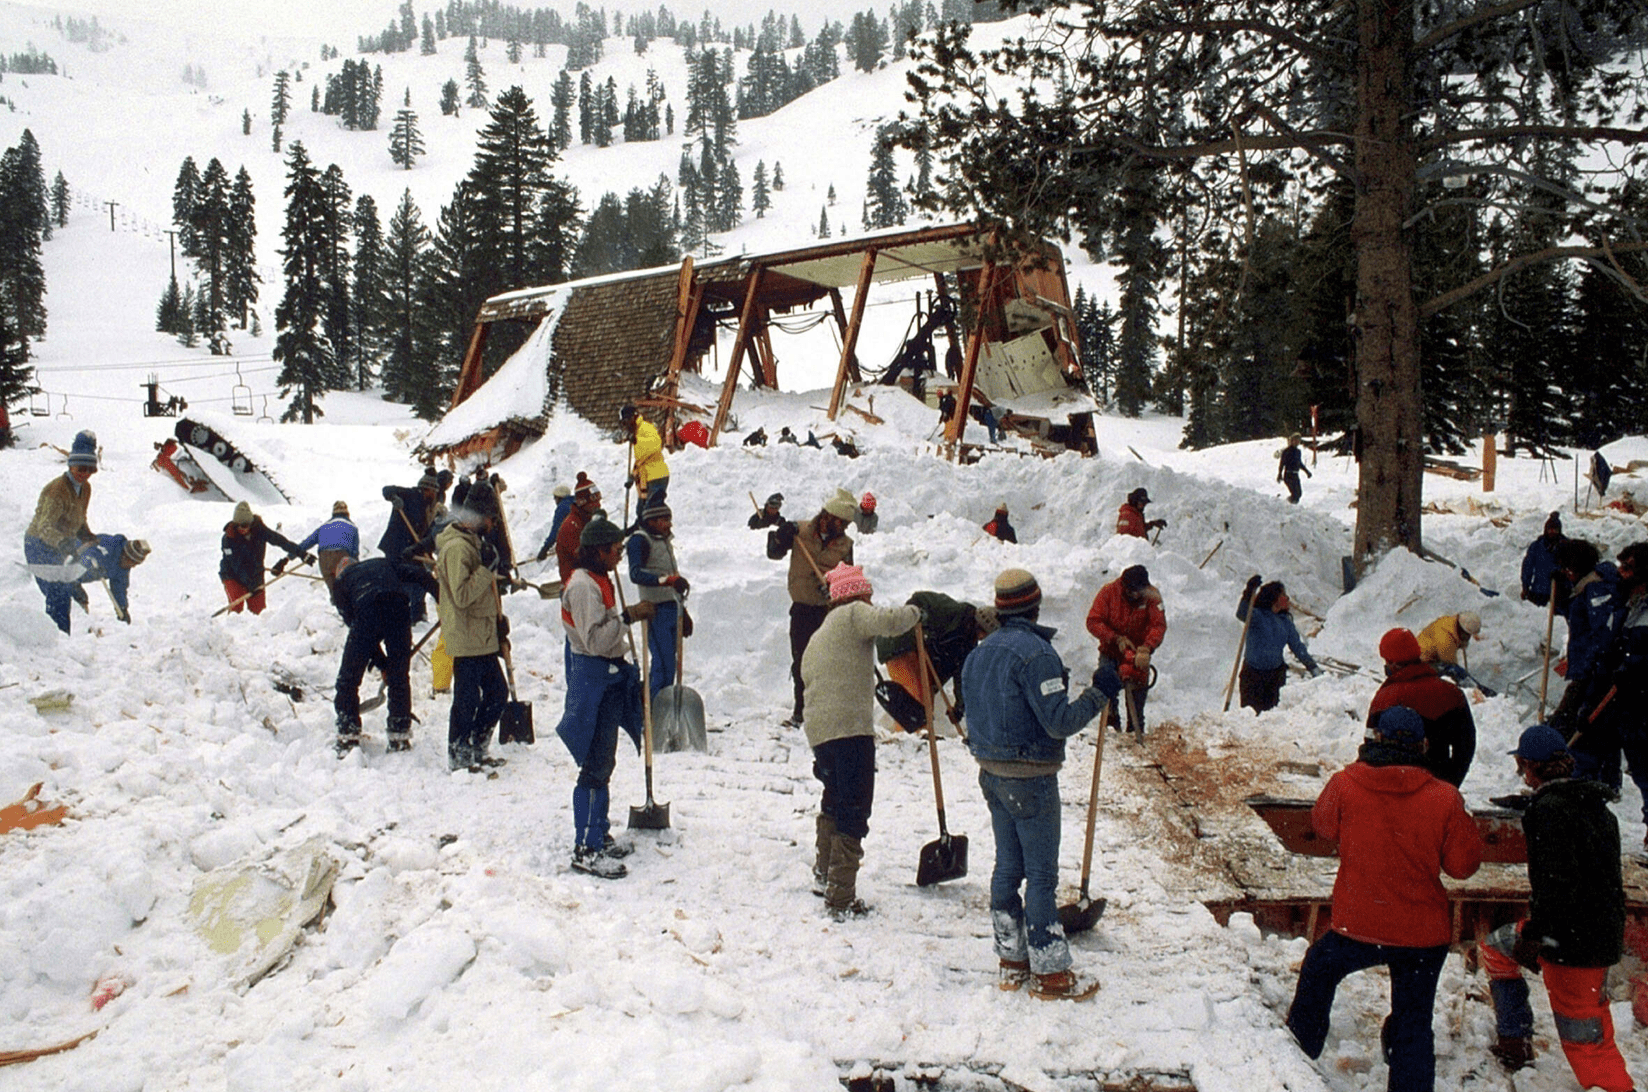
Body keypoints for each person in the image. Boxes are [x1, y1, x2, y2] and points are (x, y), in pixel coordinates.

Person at [1286, 707, 1484, 1090]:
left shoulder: (1345, 783)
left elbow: (1322, 826)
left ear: (1374, 739)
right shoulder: (1444, 797)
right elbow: (1462, 867)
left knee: (1318, 971)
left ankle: (1296, 1056)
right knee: (1413, 1022)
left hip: (1357, 925)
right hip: (1422, 936)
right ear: (1423, 746)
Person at [961, 568, 1119, 1001]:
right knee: (1042, 877)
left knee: (1007, 868)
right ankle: (1050, 974)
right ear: (1035, 605)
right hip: (1030, 779)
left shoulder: (979, 653)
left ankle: (1012, 961)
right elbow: (1058, 722)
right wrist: (1099, 691)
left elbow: (967, 715)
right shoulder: (1037, 655)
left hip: (992, 775)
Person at [1476, 725, 1634, 1088]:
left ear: (1529, 766)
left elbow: (1556, 884)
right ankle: (1515, 1041)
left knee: (1588, 1044)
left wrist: (1535, 936)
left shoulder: (1548, 814)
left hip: (1571, 942)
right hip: (1601, 930)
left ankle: (1615, 1087)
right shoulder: (1594, 806)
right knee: (1496, 949)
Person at [800, 563, 920, 918]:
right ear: (857, 593)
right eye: (868, 593)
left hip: (820, 732)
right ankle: (840, 896)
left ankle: (825, 873)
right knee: (855, 807)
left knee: (834, 799)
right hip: (850, 728)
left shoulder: (820, 634)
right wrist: (916, 612)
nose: (871, 599)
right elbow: (889, 621)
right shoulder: (854, 613)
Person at [556, 513, 654, 879]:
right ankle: (586, 846)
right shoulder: (582, 586)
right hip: (592, 677)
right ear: (598, 551)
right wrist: (628, 617)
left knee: (604, 762)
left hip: (610, 675)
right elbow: (596, 640)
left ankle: (600, 833)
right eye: (616, 550)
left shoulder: (599, 578)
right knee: (594, 765)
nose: (619, 555)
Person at [23, 430, 145, 631]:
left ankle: (60, 639)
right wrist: (64, 542)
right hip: (39, 545)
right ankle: (54, 643)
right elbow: (45, 527)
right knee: (58, 592)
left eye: (90, 470)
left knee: (63, 590)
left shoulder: (85, 488)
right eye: (81, 469)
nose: (84, 474)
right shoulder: (57, 490)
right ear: (71, 464)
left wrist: (85, 534)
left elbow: (79, 518)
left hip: (59, 546)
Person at [1571, 542, 1648, 823]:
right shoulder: (1626, 607)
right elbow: (1608, 657)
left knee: (1644, 770)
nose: (1620, 573)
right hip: (1621, 701)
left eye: (1628, 568)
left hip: (1642, 706)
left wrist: (1637, 665)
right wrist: (1589, 703)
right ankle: (1577, 817)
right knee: (1588, 750)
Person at [767, 488, 857, 727]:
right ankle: (801, 712)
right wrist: (780, 537)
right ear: (827, 516)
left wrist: (835, 588)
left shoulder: (846, 545)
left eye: (847, 524)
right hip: (802, 609)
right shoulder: (800, 532)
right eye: (842, 522)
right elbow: (774, 554)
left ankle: (825, 715)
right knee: (801, 663)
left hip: (828, 612)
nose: (844, 528)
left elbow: (849, 583)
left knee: (826, 663)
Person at [435, 484, 508, 772]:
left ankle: (477, 746)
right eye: (491, 518)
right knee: (467, 700)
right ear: (479, 516)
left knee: (497, 694)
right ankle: (459, 754)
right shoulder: (456, 548)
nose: (493, 525)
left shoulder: (473, 543)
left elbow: (482, 589)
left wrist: (498, 620)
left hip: (482, 634)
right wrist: (484, 570)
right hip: (466, 636)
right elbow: (462, 596)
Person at [1366, 628, 1477, 787]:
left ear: (1392, 663)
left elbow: (1370, 748)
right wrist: (1451, 783)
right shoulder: (1452, 694)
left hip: (1392, 787)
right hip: (1437, 785)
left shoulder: (1385, 699)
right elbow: (1466, 745)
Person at [875, 592, 999, 734]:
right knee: (915, 702)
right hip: (900, 644)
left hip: (921, 656)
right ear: (978, 623)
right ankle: (908, 740)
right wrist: (921, 621)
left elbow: (963, 676)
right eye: (983, 632)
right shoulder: (952, 610)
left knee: (926, 705)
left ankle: (921, 740)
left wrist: (959, 707)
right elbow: (919, 598)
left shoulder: (968, 643)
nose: (982, 637)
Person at [330, 556, 414, 756]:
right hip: (399, 610)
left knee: (348, 680)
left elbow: (360, 632)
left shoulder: (340, 584)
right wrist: (441, 597)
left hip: (368, 612)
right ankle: (399, 736)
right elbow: (417, 574)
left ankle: (348, 736)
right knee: (399, 676)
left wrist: (381, 663)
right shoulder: (383, 563)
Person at [1084, 565, 1167, 734]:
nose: (1137, 596)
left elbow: (1158, 625)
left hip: (1137, 653)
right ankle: (1111, 723)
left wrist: (1147, 648)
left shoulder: (1152, 596)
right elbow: (1093, 621)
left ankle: (1135, 729)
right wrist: (1115, 638)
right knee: (1106, 682)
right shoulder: (1108, 593)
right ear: (1124, 587)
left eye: (1140, 592)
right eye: (1133, 592)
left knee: (1137, 695)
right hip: (1111, 650)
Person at [1549, 539, 1620, 730]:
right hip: (1587, 668)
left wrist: (1588, 671)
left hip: (1593, 672)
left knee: (1570, 725)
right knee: (1567, 722)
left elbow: (1602, 634)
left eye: (1566, 568)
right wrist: (1562, 591)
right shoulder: (1585, 587)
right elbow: (1576, 619)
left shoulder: (1597, 589)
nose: (1565, 572)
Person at [626, 501, 689, 700]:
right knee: (662, 664)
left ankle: (665, 708)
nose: (669, 524)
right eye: (665, 519)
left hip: (672, 607)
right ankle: (652, 710)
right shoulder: (640, 540)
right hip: (655, 609)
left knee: (671, 663)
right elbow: (635, 573)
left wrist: (682, 610)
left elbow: (671, 575)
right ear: (652, 521)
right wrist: (665, 580)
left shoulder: (664, 540)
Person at [1236, 576, 1321, 713]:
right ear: (1274, 597)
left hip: (1275, 678)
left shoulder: (1285, 623)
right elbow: (1241, 613)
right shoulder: (1257, 616)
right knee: (1250, 717)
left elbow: (1298, 647)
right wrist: (1249, 591)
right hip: (1252, 677)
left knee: (1270, 718)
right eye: (1284, 595)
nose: (1287, 598)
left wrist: (1313, 668)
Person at [219, 501, 308, 616]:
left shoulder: (259, 530)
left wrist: (301, 553)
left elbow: (280, 541)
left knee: (259, 612)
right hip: (232, 575)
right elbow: (236, 565)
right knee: (237, 607)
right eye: (239, 526)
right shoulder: (228, 539)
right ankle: (230, 630)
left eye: (245, 525)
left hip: (255, 574)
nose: (242, 529)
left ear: (250, 524)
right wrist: (250, 585)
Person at [380, 471, 442, 623]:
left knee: (418, 580)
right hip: (396, 547)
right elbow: (387, 489)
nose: (434, 495)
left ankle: (418, 615)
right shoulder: (409, 494)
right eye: (433, 492)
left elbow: (426, 532)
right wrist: (394, 498)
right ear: (427, 489)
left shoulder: (428, 508)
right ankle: (404, 615)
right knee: (400, 582)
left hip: (412, 550)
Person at [295, 501, 360, 593]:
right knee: (348, 591)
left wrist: (288, 557)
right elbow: (355, 552)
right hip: (343, 557)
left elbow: (306, 543)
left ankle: (337, 603)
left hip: (324, 559)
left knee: (335, 593)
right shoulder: (352, 527)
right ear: (347, 513)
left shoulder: (324, 527)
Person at [619, 404, 669, 510]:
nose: (626, 425)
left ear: (633, 417)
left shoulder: (645, 427)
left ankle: (649, 525)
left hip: (657, 475)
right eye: (624, 423)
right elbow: (641, 459)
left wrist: (637, 440)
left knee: (652, 508)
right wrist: (632, 476)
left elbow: (656, 444)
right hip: (646, 477)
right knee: (642, 508)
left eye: (627, 421)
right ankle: (640, 523)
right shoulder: (636, 431)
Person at [553, 476, 603, 584]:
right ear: (583, 503)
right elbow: (585, 558)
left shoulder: (589, 520)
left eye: (599, 502)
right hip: (577, 585)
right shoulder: (571, 526)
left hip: (594, 580)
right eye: (594, 505)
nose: (598, 506)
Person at [1521, 512, 1567, 608]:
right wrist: (1525, 587)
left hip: (1560, 594)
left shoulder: (1566, 546)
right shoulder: (1537, 546)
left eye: (1555, 529)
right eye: (1550, 529)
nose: (1552, 532)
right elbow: (1527, 567)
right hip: (1539, 592)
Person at [1415, 610, 1481, 675]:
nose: (1468, 638)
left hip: (1427, 654)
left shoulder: (1449, 622)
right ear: (1462, 630)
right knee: (1456, 672)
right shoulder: (1445, 640)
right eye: (1467, 635)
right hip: (1422, 662)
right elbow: (1451, 664)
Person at [534, 481, 578, 562]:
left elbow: (556, 530)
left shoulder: (562, 508)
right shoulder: (576, 503)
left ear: (559, 497)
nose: (555, 500)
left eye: (555, 498)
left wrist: (545, 549)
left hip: (574, 546)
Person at [1277, 434, 1312, 504]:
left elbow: (1299, 463)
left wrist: (1307, 471)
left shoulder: (1298, 452)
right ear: (1291, 441)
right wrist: (1280, 474)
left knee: (1299, 493)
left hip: (1295, 475)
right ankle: (1287, 505)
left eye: (1298, 440)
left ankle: (1288, 504)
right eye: (1295, 440)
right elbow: (1282, 463)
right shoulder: (1286, 451)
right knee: (1295, 494)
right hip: (1288, 475)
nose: (1297, 442)